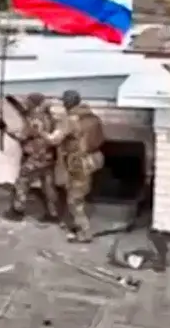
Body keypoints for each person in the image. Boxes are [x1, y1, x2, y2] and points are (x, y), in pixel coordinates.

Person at [46, 90, 104, 241]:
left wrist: (41, 133)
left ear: (67, 103)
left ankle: (85, 232)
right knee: (77, 191)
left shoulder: (70, 119)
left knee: (74, 198)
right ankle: (73, 224)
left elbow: (54, 140)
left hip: (78, 162)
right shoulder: (92, 117)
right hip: (94, 159)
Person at [8, 92, 59, 220]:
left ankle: (17, 211)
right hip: (48, 157)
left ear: (34, 103)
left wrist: (7, 131)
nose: (26, 103)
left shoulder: (34, 119)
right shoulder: (49, 117)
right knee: (48, 186)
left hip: (34, 158)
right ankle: (53, 213)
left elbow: (23, 136)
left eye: (29, 102)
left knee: (22, 182)